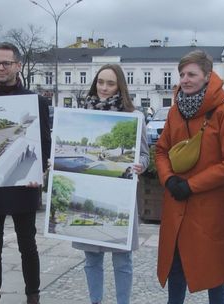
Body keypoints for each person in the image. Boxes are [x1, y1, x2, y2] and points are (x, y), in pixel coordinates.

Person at [155, 50, 224, 304]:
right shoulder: (174, 112)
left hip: (209, 208)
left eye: (191, 74)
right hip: (176, 205)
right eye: (181, 74)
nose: (185, 79)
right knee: (176, 268)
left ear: (207, 76)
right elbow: (160, 150)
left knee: (214, 273)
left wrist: (191, 186)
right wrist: (169, 179)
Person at [0, 43, 51, 304]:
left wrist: (40, 171)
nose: (1, 67)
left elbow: (44, 142)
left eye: (6, 63)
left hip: (23, 184)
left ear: (18, 65)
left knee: (28, 245)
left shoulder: (36, 101)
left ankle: (33, 296)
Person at [71, 64, 149, 304]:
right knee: (92, 259)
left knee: (122, 260)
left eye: (110, 83)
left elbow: (145, 155)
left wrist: (140, 165)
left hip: (121, 196)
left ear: (120, 87)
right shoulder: (81, 114)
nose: (104, 88)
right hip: (88, 192)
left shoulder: (134, 117)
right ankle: (96, 301)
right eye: (100, 82)